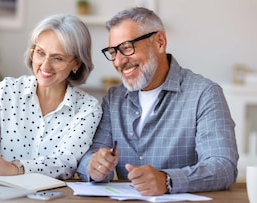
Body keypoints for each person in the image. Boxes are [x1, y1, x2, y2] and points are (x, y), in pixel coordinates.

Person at [76, 7, 239, 195]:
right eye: (113, 52)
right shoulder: (114, 98)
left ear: (160, 42)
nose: (119, 62)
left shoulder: (204, 94)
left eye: (127, 48)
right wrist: (95, 167)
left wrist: (167, 180)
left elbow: (223, 167)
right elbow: (91, 155)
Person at [0, 14, 102, 180]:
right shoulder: (6, 91)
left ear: (76, 63)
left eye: (58, 58)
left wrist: (14, 168)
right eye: (40, 53)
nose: (45, 66)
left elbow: (65, 163)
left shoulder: (88, 108)